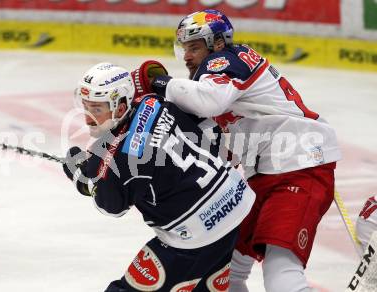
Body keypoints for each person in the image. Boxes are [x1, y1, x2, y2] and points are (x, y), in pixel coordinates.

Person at [133, 9, 342, 292]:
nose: (186, 56)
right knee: (223, 272)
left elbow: (209, 103)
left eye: (194, 47)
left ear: (218, 43)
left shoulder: (225, 60)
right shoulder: (217, 77)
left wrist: (161, 84)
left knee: (281, 273)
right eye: (184, 49)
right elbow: (204, 130)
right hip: (268, 174)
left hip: (299, 168)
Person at [62, 62, 256, 291]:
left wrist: (80, 176)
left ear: (121, 106)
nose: (87, 118)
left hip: (196, 232)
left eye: (96, 109)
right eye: (85, 107)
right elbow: (205, 123)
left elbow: (112, 205)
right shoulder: (154, 101)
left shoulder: (115, 156)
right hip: (236, 203)